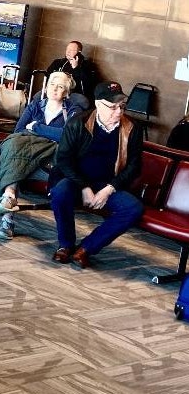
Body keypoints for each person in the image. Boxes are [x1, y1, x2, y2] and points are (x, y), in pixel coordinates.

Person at [50, 82, 144, 268]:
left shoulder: (132, 129)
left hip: (108, 185)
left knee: (133, 208)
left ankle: (86, 249)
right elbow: (64, 159)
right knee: (60, 193)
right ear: (98, 104)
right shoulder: (78, 123)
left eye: (122, 106)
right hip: (75, 181)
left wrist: (109, 189)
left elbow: (134, 167)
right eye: (113, 107)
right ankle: (66, 245)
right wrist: (85, 187)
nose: (119, 112)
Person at [0, 72, 81, 241]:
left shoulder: (74, 111)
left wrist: (37, 127)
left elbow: (67, 136)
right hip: (25, 154)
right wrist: (48, 133)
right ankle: (8, 204)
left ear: (66, 92)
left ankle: (8, 211)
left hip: (49, 161)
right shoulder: (36, 105)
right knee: (13, 149)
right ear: (46, 87)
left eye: (60, 87)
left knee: (12, 157)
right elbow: (19, 131)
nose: (54, 89)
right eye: (52, 84)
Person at [45, 41, 98, 110]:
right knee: (39, 96)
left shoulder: (86, 65)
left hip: (73, 93)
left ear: (79, 53)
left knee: (81, 100)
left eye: (72, 50)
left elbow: (86, 85)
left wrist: (76, 68)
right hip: (56, 90)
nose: (68, 52)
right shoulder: (58, 62)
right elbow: (48, 76)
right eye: (67, 49)